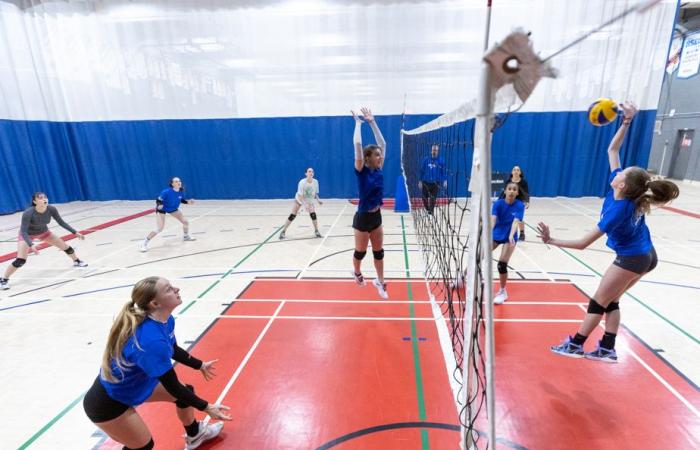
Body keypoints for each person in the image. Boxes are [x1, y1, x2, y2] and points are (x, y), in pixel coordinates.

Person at [538, 102, 679, 362]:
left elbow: (582, 243)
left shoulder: (620, 209)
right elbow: (612, 148)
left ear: (622, 183)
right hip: (645, 255)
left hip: (633, 258)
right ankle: (606, 348)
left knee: (599, 301)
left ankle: (576, 345)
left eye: (622, 171)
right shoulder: (624, 190)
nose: (617, 170)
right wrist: (626, 122)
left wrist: (551, 239)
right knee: (612, 301)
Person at [83, 276, 231, 450]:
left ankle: (195, 434)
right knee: (143, 446)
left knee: (186, 394)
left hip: (134, 384)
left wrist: (199, 365)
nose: (177, 289)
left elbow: (172, 348)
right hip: (108, 403)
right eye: (168, 289)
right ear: (155, 303)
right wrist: (207, 407)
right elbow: (172, 385)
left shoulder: (166, 320)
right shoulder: (150, 341)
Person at [0, 192, 87, 290]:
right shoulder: (28, 213)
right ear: (35, 202)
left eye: (45, 197)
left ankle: (76, 261)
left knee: (66, 248)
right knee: (21, 260)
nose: (44, 199)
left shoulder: (51, 209)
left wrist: (75, 232)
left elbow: (61, 222)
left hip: (44, 232)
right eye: (40, 198)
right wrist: (31, 244)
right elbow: (23, 231)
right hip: (28, 235)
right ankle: (4, 279)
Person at [351, 107, 389, 299]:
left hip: (376, 216)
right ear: (367, 158)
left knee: (379, 251)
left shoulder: (379, 168)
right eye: (376, 155)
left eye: (380, 155)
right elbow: (358, 143)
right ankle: (357, 272)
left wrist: (372, 122)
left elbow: (382, 142)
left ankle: (380, 282)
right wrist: (358, 123)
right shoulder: (361, 169)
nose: (380, 156)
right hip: (362, 217)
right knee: (360, 252)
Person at [139, 177, 196, 252]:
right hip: (162, 210)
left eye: (179, 181)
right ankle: (144, 243)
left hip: (173, 209)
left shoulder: (180, 191)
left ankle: (185, 236)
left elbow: (181, 200)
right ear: (172, 184)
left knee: (185, 222)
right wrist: (160, 204)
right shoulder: (166, 191)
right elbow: (158, 200)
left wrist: (188, 202)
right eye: (176, 181)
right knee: (160, 228)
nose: (178, 182)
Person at [492, 181, 525, 304]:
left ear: (517, 193)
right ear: (505, 191)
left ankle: (502, 291)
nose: (511, 191)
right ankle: (462, 277)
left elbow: (516, 222)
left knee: (501, 264)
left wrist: (511, 235)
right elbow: (493, 220)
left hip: (509, 237)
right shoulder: (498, 204)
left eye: (514, 189)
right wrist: (486, 233)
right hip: (496, 234)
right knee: (477, 255)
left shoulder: (520, 205)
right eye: (509, 189)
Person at [279, 167, 323, 239]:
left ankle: (316, 231)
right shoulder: (302, 182)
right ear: (306, 173)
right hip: (299, 200)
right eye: (309, 171)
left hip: (309, 201)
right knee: (292, 215)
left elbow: (315, 193)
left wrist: (318, 200)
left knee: (313, 214)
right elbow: (300, 195)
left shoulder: (315, 182)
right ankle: (283, 231)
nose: (311, 173)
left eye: (312, 172)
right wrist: (304, 204)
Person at [499, 165, 530, 239]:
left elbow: (526, 193)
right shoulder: (508, 181)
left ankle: (522, 233)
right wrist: (500, 200)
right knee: (509, 217)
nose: (516, 171)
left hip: (520, 201)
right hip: (510, 201)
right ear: (512, 172)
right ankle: (510, 232)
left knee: (519, 218)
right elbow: (504, 192)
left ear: (520, 173)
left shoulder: (523, 182)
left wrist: (527, 202)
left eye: (518, 170)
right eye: (514, 170)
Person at [419, 144, 448, 215]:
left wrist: (445, 180)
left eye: (436, 150)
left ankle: (430, 212)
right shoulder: (426, 160)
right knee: (424, 198)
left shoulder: (441, 161)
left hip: (435, 183)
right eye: (433, 150)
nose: (434, 152)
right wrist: (420, 181)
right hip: (425, 182)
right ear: (431, 151)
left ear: (438, 151)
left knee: (433, 198)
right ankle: (428, 209)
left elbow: (444, 171)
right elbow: (421, 171)